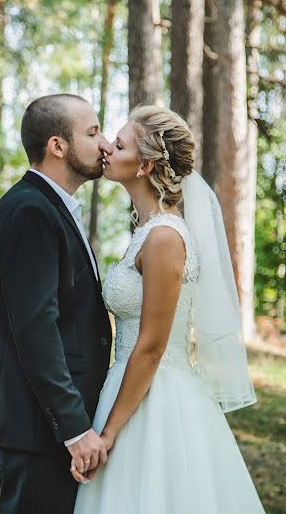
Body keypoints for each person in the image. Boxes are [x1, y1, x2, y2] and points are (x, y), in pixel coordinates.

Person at [73, 105, 264, 513]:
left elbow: (152, 347)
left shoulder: (163, 237)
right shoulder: (146, 231)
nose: (107, 147)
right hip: (126, 386)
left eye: (119, 144)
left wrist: (107, 436)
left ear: (145, 165)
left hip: (155, 400)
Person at [0, 94, 113, 513]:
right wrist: (73, 428)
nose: (104, 144)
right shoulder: (30, 211)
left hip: (47, 426)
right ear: (58, 146)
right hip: (37, 429)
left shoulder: (50, 207)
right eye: (92, 132)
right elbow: (36, 330)